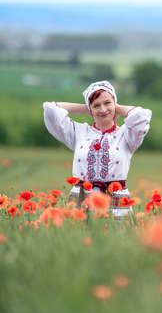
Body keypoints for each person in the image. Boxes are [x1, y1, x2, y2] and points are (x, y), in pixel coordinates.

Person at [43, 80, 152, 218]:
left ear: (115, 103)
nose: (102, 109)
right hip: (81, 199)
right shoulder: (79, 132)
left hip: (116, 201)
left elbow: (141, 116)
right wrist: (85, 109)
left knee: (115, 238)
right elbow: (50, 109)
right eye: (96, 106)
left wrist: (117, 108)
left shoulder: (126, 135)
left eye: (107, 103)